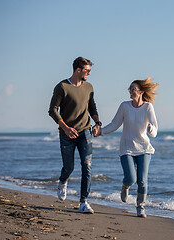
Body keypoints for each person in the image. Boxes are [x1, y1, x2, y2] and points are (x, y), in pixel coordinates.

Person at [94, 77, 159, 218]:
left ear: (141, 92)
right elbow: (115, 124)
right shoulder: (124, 106)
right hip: (127, 148)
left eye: (133, 89)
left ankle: (140, 206)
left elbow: (155, 130)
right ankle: (126, 186)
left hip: (144, 148)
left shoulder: (148, 107)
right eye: (129, 89)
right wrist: (101, 131)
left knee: (142, 180)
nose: (130, 91)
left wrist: (150, 128)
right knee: (131, 178)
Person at [48, 57, 102, 214]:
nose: (89, 74)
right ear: (78, 70)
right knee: (69, 167)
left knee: (87, 165)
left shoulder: (89, 87)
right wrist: (65, 128)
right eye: (87, 71)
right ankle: (63, 180)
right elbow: (52, 110)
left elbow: (92, 108)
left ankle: (84, 202)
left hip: (85, 132)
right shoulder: (62, 87)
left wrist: (98, 124)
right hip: (67, 134)